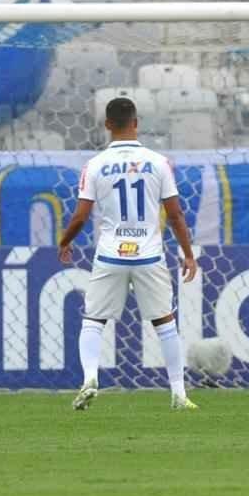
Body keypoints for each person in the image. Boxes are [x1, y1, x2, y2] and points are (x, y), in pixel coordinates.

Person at [58, 97, 199, 411]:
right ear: (136, 123)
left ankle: (90, 378)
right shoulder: (158, 162)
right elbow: (175, 214)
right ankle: (178, 393)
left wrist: (65, 241)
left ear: (107, 125)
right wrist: (188, 254)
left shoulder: (94, 165)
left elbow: (81, 216)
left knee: (94, 320)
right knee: (165, 323)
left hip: (111, 255)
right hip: (149, 255)